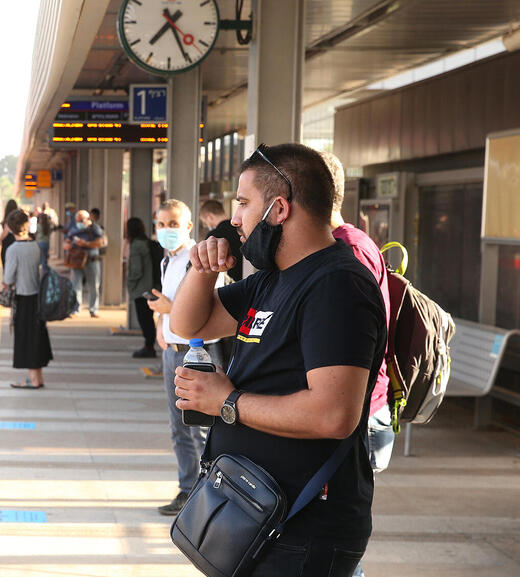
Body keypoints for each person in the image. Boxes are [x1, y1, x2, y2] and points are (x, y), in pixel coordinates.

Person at [170, 143, 386, 575]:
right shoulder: (275, 279)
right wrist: (203, 269)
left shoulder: (337, 286)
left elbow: (333, 415)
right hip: (259, 516)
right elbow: (190, 324)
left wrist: (227, 402)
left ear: (279, 209)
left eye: (244, 203)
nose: (235, 219)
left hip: (303, 528)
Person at [320, 151, 393, 577]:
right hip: (363, 413)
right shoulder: (352, 243)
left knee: (338, 544)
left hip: (361, 417)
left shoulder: (347, 252)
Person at [148, 199, 225, 515]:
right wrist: (160, 325)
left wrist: (170, 311)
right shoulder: (170, 260)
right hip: (173, 352)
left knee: (201, 427)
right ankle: (186, 488)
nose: (167, 230)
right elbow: (166, 304)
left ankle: (207, 493)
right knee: (179, 426)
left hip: (198, 352)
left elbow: (212, 307)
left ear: (189, 226)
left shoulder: (201, 261)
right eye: (162, 224)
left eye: (174, 224)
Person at [3, 208, 52, 389]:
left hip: (23, 299)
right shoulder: (35, 246)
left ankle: (33, 380)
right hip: (37, 298)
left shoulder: (13, 250)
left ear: (10, 228)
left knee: (27, 339)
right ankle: (38, 377)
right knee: (36, 337)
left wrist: (6, 283)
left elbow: (8, 279)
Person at [125, 217, 156, 358]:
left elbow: (136, 269)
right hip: (150, 287)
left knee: (144, 319)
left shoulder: (136, 245)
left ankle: (149, 347)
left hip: (141, 289)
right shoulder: (146, 242)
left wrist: (129, 283)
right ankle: (149, 345)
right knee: (148, 318)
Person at [64, 210, 104, 317]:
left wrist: (86, 243)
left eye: (81, 220)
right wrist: (68, 245)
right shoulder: (74, 229)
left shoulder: (95, 228)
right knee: (76, 285)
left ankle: (93, 309)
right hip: (76, 261)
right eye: (78, 221)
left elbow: (101, 242)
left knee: (94, 285)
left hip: (91, 260)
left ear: (88, 219)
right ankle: (75, 309)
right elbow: (66, 241)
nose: (80, 223)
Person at [199, 200, 244, 281]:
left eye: (205, 223)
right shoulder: (242, 228)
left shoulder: (213, 238)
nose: (207, 226)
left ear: (210, 217)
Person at [0, 199, 19, 270]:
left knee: (7, 269)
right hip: (16, 244)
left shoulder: (8, 219)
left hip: (6, 247)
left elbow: (5, 232)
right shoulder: (17, 218)